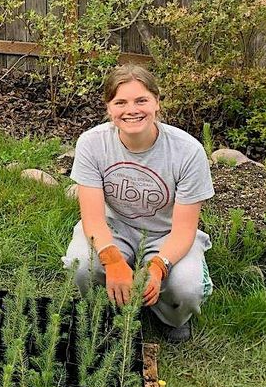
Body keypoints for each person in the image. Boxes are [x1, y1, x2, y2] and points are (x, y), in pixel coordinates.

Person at [62, 65, 213, 343]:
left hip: (166, 234)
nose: (132, 110)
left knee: (186, 287)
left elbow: (183, 229)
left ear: (157, 102)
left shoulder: (188, 151)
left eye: (141, 100)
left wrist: (158, 267)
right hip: (113, 226)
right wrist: (112, 260)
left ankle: (171, 317)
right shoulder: (92, 143)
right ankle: (106, 307)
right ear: (109, 108)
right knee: (80, 265)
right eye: (121, 102)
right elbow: (93, 218)